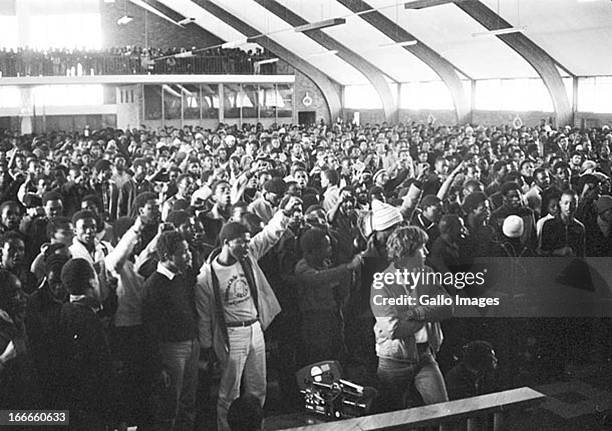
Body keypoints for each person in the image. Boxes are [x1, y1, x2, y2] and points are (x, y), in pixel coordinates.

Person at [196, 196, 300, 431]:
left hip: (254, 328)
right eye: (240, 243)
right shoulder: (206, 277)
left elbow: (268, 236)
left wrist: (283, 213)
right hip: (231, 335)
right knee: (228, 391)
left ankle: (255, 425)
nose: (246, 246)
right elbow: (204, 316)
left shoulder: (248, 255)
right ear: (225, 242)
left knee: (258, 386)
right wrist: (206, 348)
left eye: (246, 241)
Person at [371, 226, 452, 411]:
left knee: (443, 410)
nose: (427, 252)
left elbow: (447, 306)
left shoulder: (427, 273)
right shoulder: (381, 283)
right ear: (406, 252)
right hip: (394, 361)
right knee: (392, 418)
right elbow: (394, 329)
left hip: (425, 355)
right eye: (422, 248)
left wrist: (414, 314)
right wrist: (428, 312)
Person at [142, 230, 199, 431]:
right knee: (170, 404)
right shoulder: (153, 285)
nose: (188, 255)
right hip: (171, 349)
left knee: (188, 401)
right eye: (183, 252)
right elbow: (150, 330)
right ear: (166, 256)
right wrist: (160, 366)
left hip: (191, 343)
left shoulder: (183, 276)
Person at [56, 258, 120, 430]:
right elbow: (104, 371)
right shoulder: (89, 321)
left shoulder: (66, 310)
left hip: (75, 405)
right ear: (92, 282)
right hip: (94, 409)